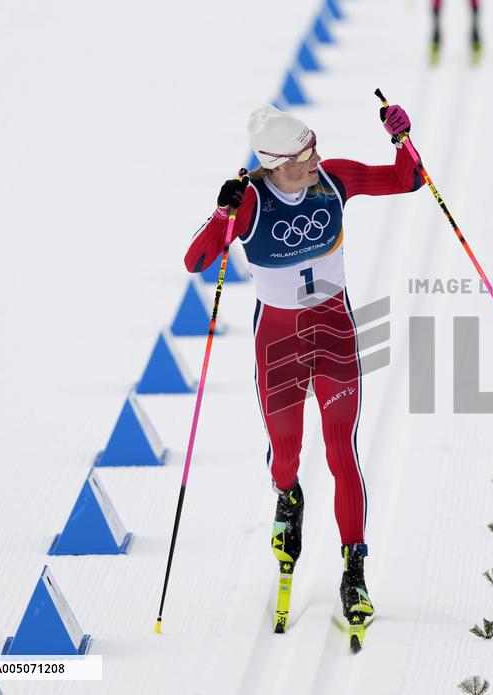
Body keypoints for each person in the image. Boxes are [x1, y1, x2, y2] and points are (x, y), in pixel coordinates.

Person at [183, 103, 421, 636]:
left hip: (334, 333)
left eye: (315, 146)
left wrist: (402, 139)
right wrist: (221, 216)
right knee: (286, 452)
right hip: (279, 345)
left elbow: (408, 181)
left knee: (341, 451)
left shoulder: (332, 180)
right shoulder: (252, 202)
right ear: (277, 162)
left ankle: (354, 570)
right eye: (306, 153)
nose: (317, 157)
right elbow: (196, 262)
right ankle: (288, 495)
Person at [431, 0, 482, 64]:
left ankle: (476, 49)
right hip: (436, 7)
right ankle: (434, 50)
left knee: (474, 23)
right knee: (436, 24)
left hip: (474, 6)